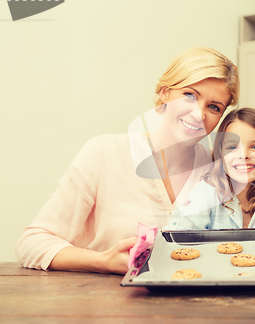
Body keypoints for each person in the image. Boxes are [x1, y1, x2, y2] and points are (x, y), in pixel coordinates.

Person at [15, 47, 239, 274]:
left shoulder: (216, 170)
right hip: (102, 303)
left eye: (213, 107)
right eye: (190, 95)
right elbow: (31, 243)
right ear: (164, 93)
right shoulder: (104, 153)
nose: (199, 114)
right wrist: (103, 261)